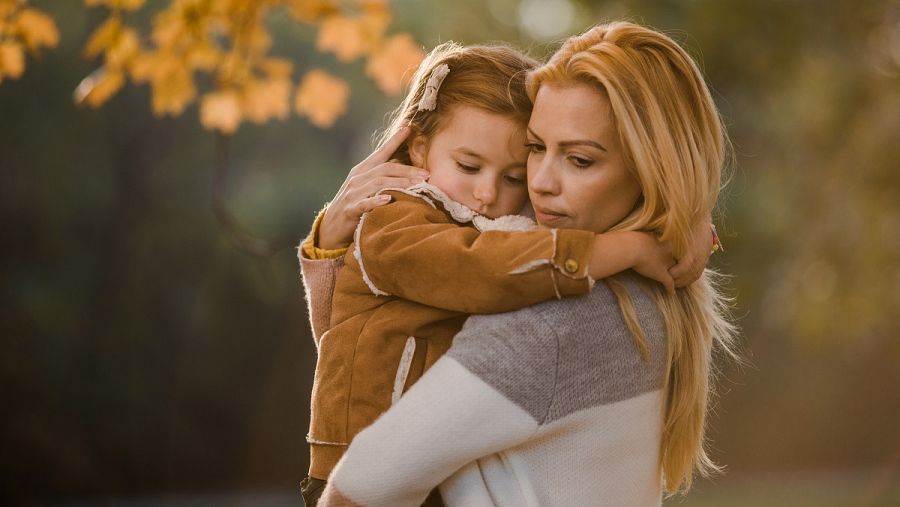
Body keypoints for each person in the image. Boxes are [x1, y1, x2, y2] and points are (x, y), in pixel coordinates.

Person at [301, 21, 736, 506]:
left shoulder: (552, 316)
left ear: (650, 170)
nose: (537, 185)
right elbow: (364, 338)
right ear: (420, 150)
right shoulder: (638, 290)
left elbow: (363, 482)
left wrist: (672, 226)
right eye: (536, 148)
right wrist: (332, 248)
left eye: (580, 160)